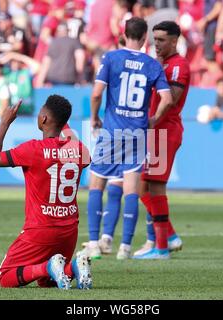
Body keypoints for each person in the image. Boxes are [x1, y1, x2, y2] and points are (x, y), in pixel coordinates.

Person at [84, 17, 173, 260]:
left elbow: (96, 94)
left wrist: (94, 117)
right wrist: (153, 118)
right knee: (131, 190)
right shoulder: (152, 64)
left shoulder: (111, 58)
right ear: (145, 37)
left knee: (96, 185)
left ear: (124, 34)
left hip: (112, 132)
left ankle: (94, 242)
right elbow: (167, 99)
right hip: (137, 133)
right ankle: (125, 248)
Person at [0, 95, 92, 289]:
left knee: (5, 277)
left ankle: (50, 266)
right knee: (47, 282)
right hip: (69, 233)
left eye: (40, 113)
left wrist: (4, 123)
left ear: (43, 119)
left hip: (40, 231)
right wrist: (65, 124)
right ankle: (74, 267)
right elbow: (84, 155)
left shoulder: (33, 149)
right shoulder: (79, 149)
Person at [133, 21, 188, 259]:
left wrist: (154, 119)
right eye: (154, 39)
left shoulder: (178, 66)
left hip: (164, 130)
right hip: (154, 131)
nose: (156, 44)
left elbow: (172, 99)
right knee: (142, 186)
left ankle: (162, 247)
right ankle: (170, 236)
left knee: (155, 187)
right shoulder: (160, 64)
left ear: (174, 40)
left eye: (162, 40)